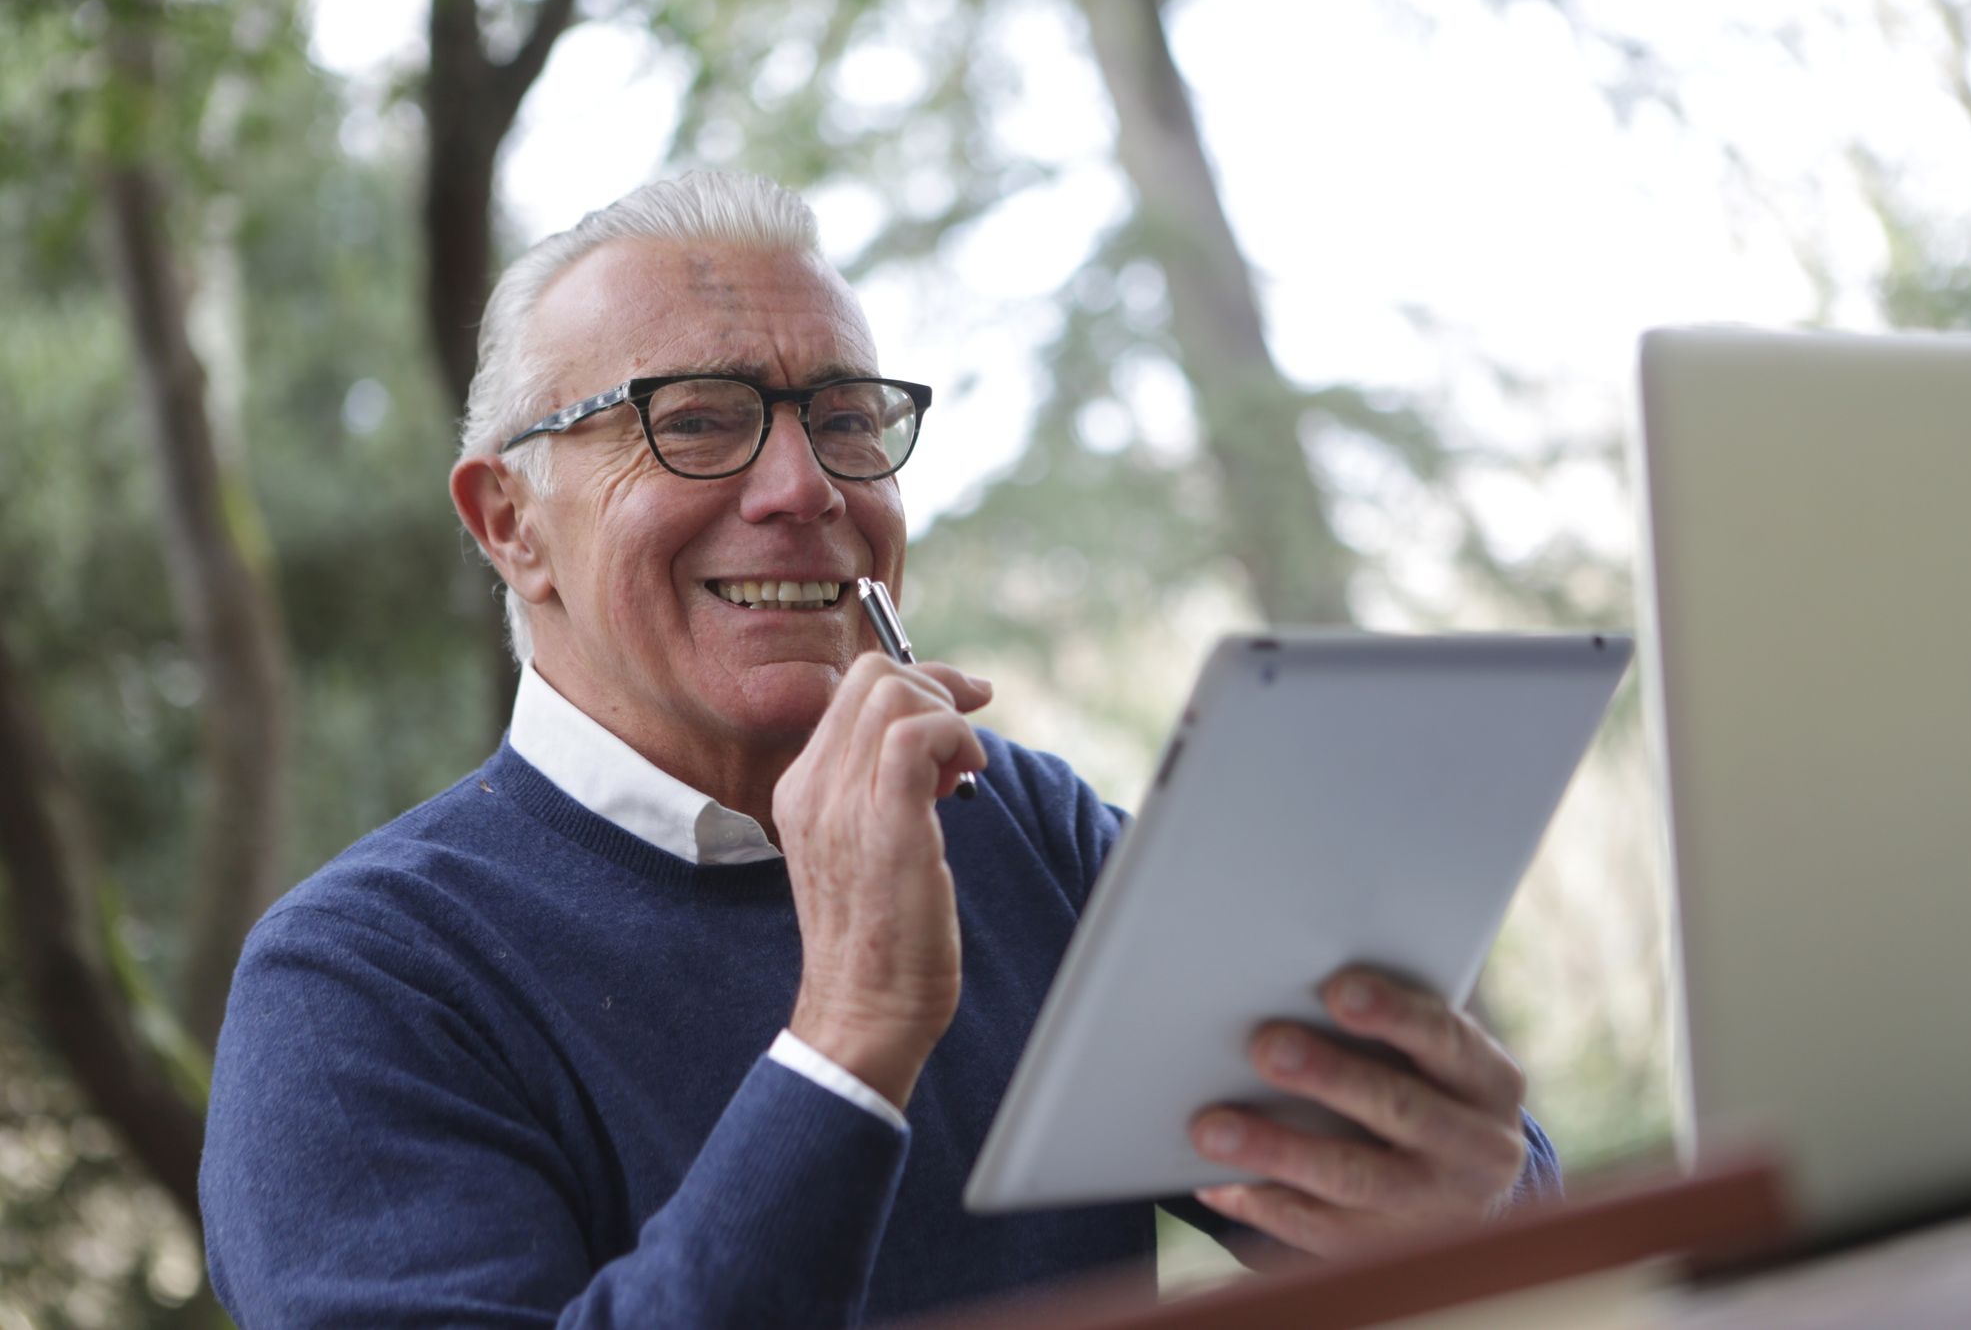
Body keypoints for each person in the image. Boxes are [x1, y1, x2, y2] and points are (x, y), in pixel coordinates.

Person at [198, 172, 1558, 1328]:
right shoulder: (358, 984)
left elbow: (1424, 1208)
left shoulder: (1014, 820)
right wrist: (849, 1037)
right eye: (697, 418)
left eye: (846, 419)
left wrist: (1476, 1198)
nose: (805, 488)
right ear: (510, 520)